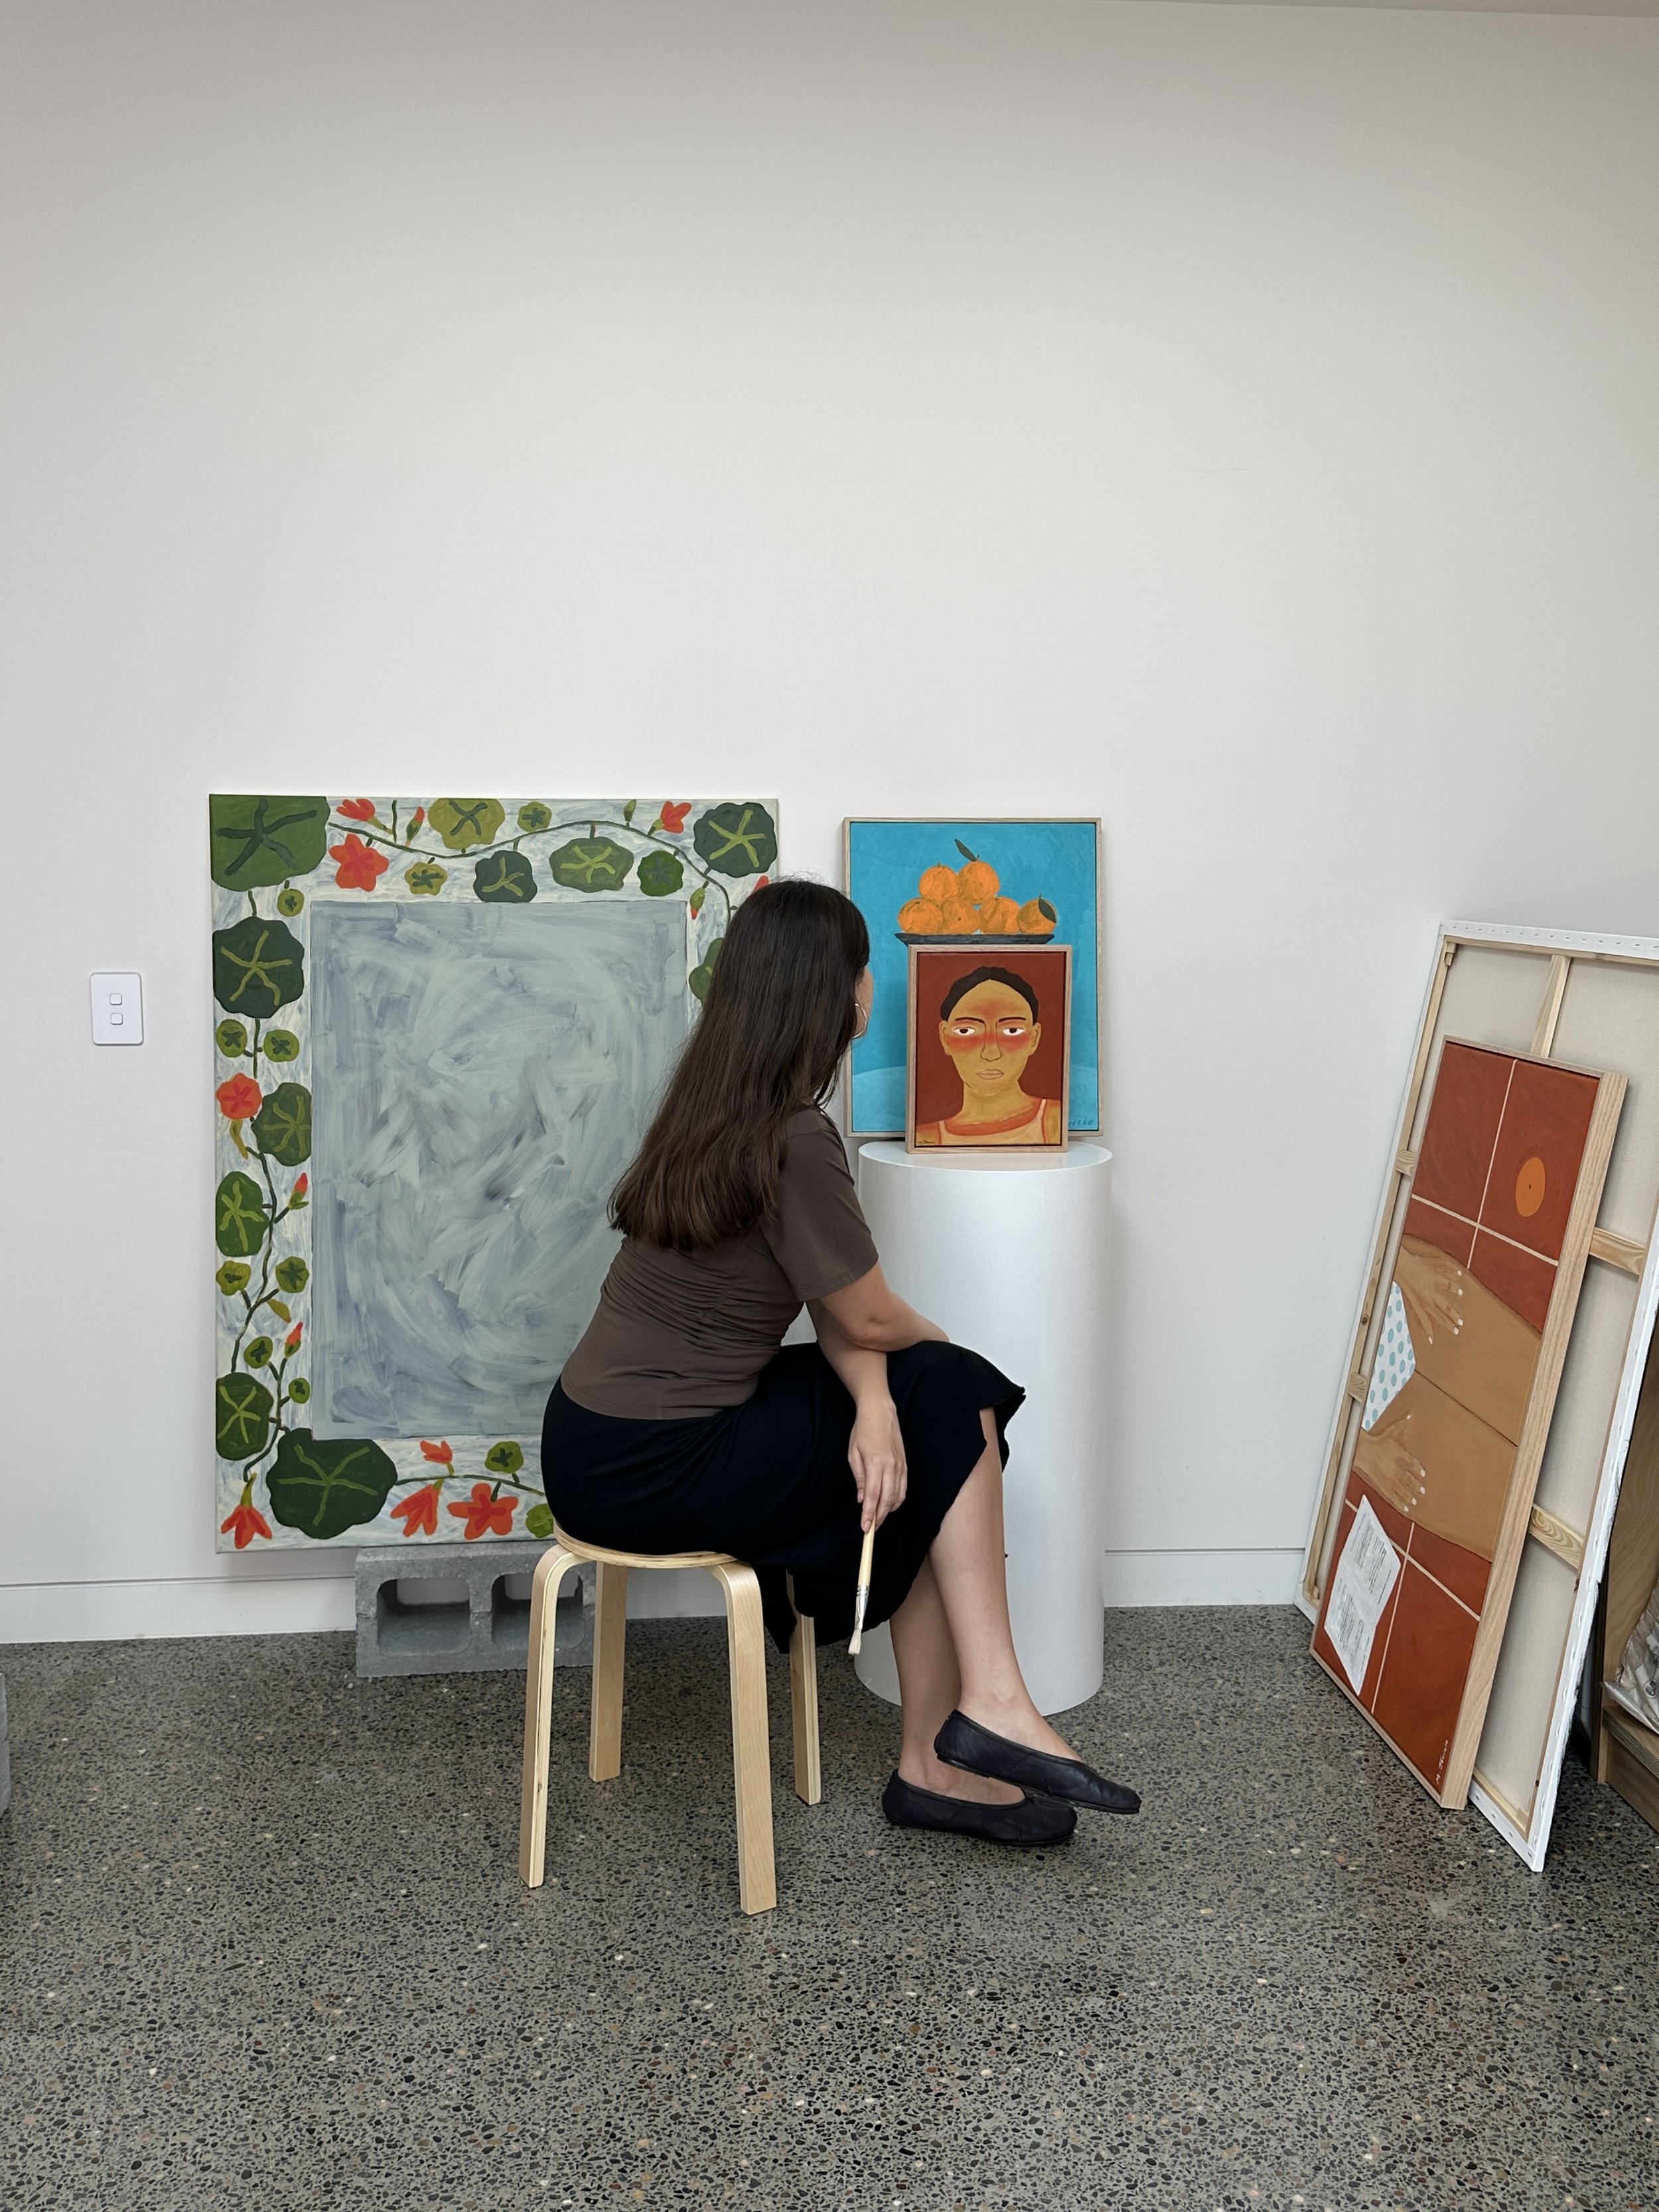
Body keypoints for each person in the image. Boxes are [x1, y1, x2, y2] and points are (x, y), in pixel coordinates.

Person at [542, 879, 1138, 1848]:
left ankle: (957, 1745)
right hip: (661, 1460)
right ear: (839, 994)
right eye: (865, 972)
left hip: (595, 1445)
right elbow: (867, 1312)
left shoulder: (715, 1109)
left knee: (928, 1413)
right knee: (954, 1391)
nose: (871, 990)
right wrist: (933, 1351)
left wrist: (877, 1404)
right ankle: (972, 1724)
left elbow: (833, 1312)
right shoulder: (796, 1136)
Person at [912, 966, 1064, 1148]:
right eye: (966, 1031)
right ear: (944, 1037)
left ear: (1034, 1038)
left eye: (1012, 1031)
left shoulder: (1057, 1121)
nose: (991, 1053)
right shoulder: (925, 1138)